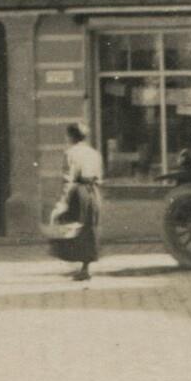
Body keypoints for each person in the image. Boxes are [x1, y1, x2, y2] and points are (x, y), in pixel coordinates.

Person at [51, 121, 105, 282]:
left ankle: (74, 263)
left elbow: (68, 179)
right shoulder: (94, 153)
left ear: (71, 136)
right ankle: (85, 267)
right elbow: (99, 177)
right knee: (90, 228)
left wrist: (63, 201)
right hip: (93, 191)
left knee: (71, 225)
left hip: (78, 192)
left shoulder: (71, 153)